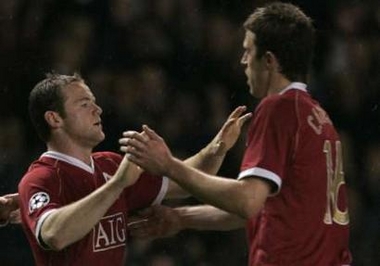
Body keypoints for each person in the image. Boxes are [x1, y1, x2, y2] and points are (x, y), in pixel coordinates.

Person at [121, 2, 352, 265]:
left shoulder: (279, 108)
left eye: (247, 51)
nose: (243, 61)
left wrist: (169, 165)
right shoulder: (319, 119)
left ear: (268, 61)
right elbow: (262, 208)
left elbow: (247, 201)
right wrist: (182, 217)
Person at [17, 73, 251, 266]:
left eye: (95, 102)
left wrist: (218, 147)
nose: (97, 109)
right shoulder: (40, 178)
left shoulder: (110, 164)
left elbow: (184, 184)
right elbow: (54, 235)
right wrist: (117, 184)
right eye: (85, 103)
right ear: (54, 119)